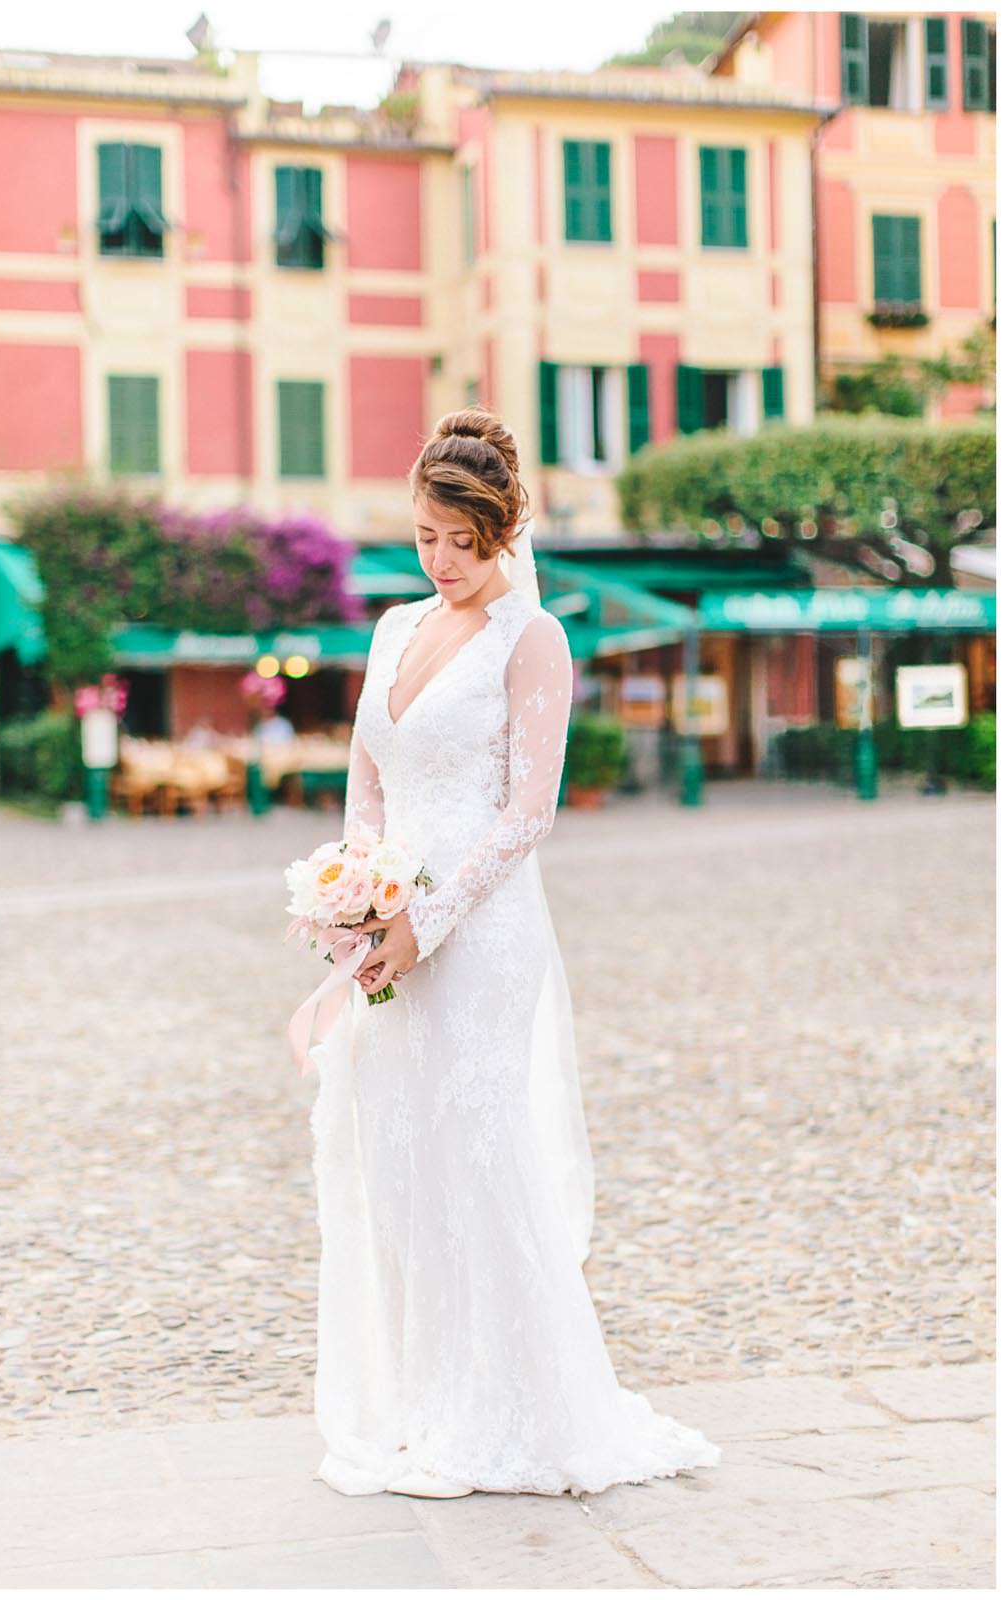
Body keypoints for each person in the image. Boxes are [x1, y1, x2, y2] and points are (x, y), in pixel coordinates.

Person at [299, 408, 719, 1498]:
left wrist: (419, 919)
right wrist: (352, 895)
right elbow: (368, 776)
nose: (438, 560)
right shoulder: (394, 627)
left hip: (480, 934)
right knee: (393, 1155)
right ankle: (420, 1393)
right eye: (424, 536)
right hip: (391, 918)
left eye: (458, 539)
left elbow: (526, 812)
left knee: (474, 1151)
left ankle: (516, 1407)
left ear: (499, 530)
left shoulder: (531, 640)